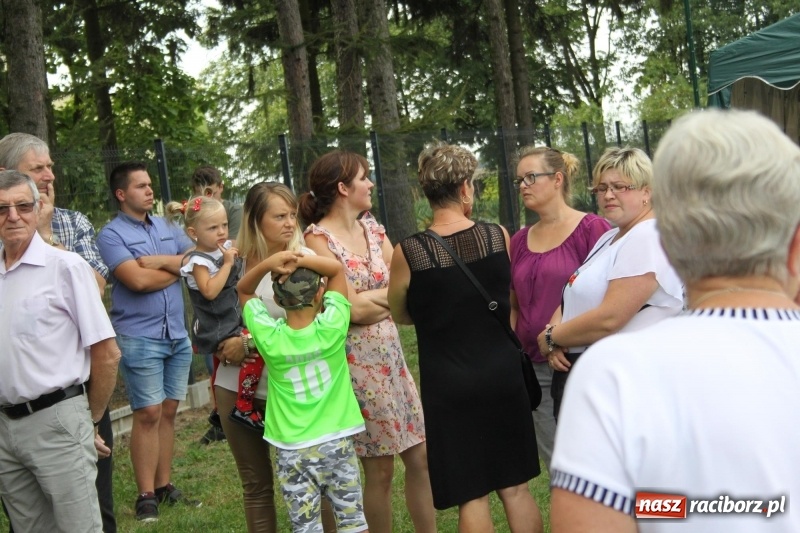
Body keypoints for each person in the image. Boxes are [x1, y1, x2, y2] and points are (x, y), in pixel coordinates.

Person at [550, 109, 800, 533]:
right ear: (795, 245)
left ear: (669, 242)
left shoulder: (613, 376)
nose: (608, 193)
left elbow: (606, 517)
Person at [388, 142, 542, 533]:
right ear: (464, 189)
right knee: (516, 488)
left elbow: (401, 311)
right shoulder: (497, 237)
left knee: (471, 494)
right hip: (502, 375)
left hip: (449, 382)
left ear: (427, 194)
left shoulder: (410, 253)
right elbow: (505, 297)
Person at [300, 150, 436, 533]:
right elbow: (346, 310)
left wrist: (375, 300)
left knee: (421, 456)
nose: (371, 183)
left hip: (392, 361)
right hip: (354, 365)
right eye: (364, 178)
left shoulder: (371, 227)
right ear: (343, 188)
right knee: (379, 469)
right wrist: (385, 300)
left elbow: (404, 286)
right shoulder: (317, 239)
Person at [0, 132, 117, 532]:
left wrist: (90, 419)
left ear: (36, 210)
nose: (13, 216)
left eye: (22, 207)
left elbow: (106, 351)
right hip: (5, 429)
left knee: (81, 526)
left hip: (58, 418)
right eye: (2, 208)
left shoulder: (64, 267)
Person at [215, 182, 337, 533]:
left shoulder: (306, 261)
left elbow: (315, 324)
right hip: (236, 387)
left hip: (293, 389)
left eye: (292, 215)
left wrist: (249, 344)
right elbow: (213, 320)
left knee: (318, 481)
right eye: (279, 216)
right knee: (256, 486)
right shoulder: (230, 263)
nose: (289, 223)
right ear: (255, 220)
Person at [537, 147, 683, 420]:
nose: (608, 195)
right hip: (591, 370)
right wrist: (556, 332)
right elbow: (574, 289)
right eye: (601, 188)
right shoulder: (611, 237)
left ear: (647, 192)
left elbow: (611, 317)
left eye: (619, 187)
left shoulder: (647, 236)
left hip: (624, 380)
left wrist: (550, 338)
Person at [97, 162, 199, 522]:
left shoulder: (168, 226)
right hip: (140, 336)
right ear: (121, 194)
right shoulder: (111, 235)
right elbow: (136, 281)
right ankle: (145, 497)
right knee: (148, 412)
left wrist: (159, 262)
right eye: (140, 186)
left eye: (150, 184)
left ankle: (163, 485)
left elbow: (199, 259)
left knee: (170, 411)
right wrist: (177, 270)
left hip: (177, 333)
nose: (149, 190)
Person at [239, 253, 369, 533]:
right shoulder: (333, 328)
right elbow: (336, 271)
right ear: (320, 295)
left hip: (291, 449)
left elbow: (244, 290)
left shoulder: (270, 339)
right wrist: (299, 259)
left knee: (305, 527)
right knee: (352, 522)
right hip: (337, 443)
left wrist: (269, 263)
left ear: (275, 300)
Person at [509, 146, 610, 471]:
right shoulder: (519, 241)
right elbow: (515, 304)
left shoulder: (592, 229)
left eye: (531, 177)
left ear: (557, 179)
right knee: (560, 469)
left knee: (594, 464)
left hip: (581, 364)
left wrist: (559, 336)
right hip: (535, 370)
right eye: (519, 180)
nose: (523, 185)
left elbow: (607, 296)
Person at [164, 196, 264, 432]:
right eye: (212, 228)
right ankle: (243, 405)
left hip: (232, 317)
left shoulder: (225, 247)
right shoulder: (198, 261)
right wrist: (228, 264)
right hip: (217, 324)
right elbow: (209, 291)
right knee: (254, 355)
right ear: (193, 232)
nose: (221, 232)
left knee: (225, 369)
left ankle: (221, 411)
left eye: (224, 225)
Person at [191, 165, 243, 246]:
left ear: (221, 187)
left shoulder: (235, 211)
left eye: (211, 194)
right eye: (201, 196)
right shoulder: (193, 213)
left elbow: (234, 246)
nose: (207, 200)